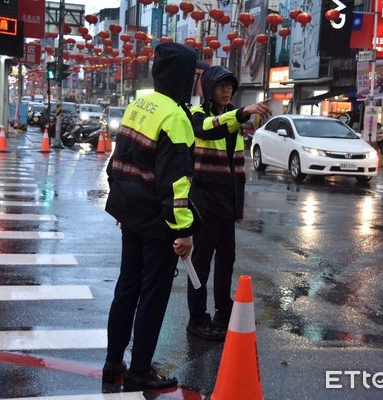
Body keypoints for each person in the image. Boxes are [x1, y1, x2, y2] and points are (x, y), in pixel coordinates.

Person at [102, 42, 203, 392]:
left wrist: (121, 206)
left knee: (126, 288)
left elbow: (117, 161)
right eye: (192, 75)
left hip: (130, 215)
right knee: (152, 295)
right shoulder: (176, 117)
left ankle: (113, 363)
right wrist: (184, 231)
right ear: (182, 76)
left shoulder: (138, 104)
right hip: (157, 222)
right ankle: (140, 370)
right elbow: (176, 185)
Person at [186, 66, 272, 341]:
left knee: (226, 259)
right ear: (208, 88)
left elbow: (229, 132)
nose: (226, 91)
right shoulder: (198, 115)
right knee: (200, 262)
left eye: (229, 86)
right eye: (221, 86)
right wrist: (244, 112)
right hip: (205, 199)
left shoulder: (232, 118)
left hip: (227, 199)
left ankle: (224, 309)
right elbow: (208, 129)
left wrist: (238, 204)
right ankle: (197, 318)